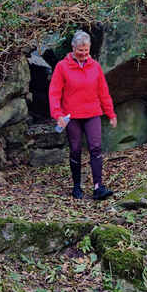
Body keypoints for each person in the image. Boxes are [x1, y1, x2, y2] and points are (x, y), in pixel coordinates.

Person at [49, 30, 118, 200]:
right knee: (75, 150)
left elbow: (103, 92)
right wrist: (57, 114)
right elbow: (54, 93)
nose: (83, 54)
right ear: (73, 48)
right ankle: (76, 186)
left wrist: (110, 113)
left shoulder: (95, 66)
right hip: (71, 116)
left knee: (95, 148)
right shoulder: (62, 66)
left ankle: (98, 187)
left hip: (92, 113)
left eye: (86, 50)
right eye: (80, 50)